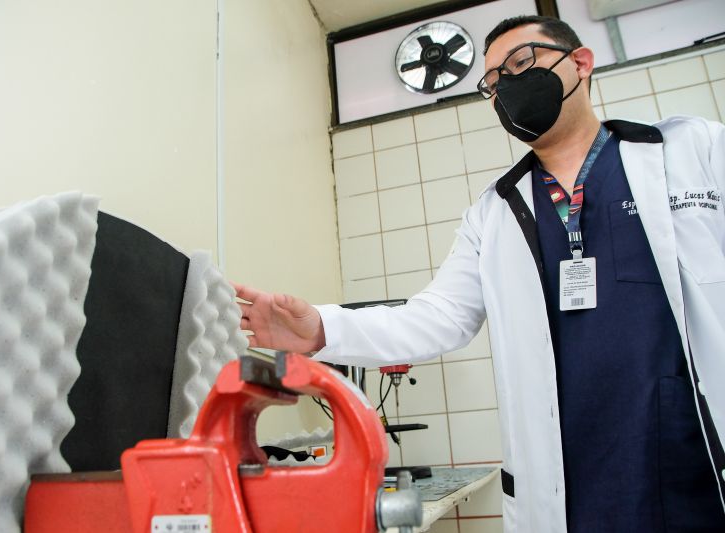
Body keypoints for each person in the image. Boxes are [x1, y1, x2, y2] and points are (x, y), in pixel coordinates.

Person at [234, 15, 725, 533]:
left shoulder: (694, 151)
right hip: (574, 485)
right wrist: (320, 329)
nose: (506, 88)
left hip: (695, 463)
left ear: (580, 63)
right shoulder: (493, 214)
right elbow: (438, 316)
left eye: (520, 64)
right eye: (492, 84)